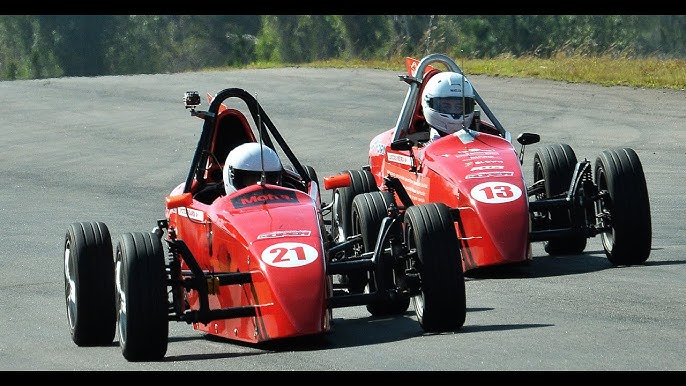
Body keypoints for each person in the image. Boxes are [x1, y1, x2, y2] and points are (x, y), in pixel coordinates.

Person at [420, 71, 476, 141]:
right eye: (446, 107)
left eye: (459, 107)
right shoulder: (414, 142)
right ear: (428, 103)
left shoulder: (480, 136)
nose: (454, 112)